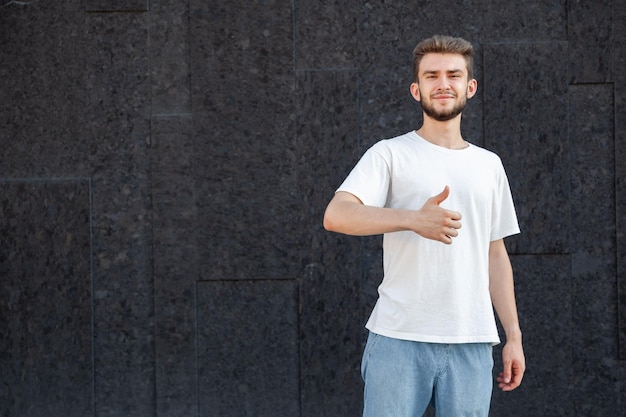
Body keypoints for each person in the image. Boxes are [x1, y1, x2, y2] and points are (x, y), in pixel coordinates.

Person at [323, 35, 525, 417]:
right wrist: (413, 219)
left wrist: (512, 336)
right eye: (431, 76)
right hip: (398, 340)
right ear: (417, 90)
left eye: (453, 74)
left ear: (470, 86)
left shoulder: (489, 165)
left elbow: (494, 254)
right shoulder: (390, 154)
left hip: (472, 341)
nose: (443, 83)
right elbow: (337, 214)